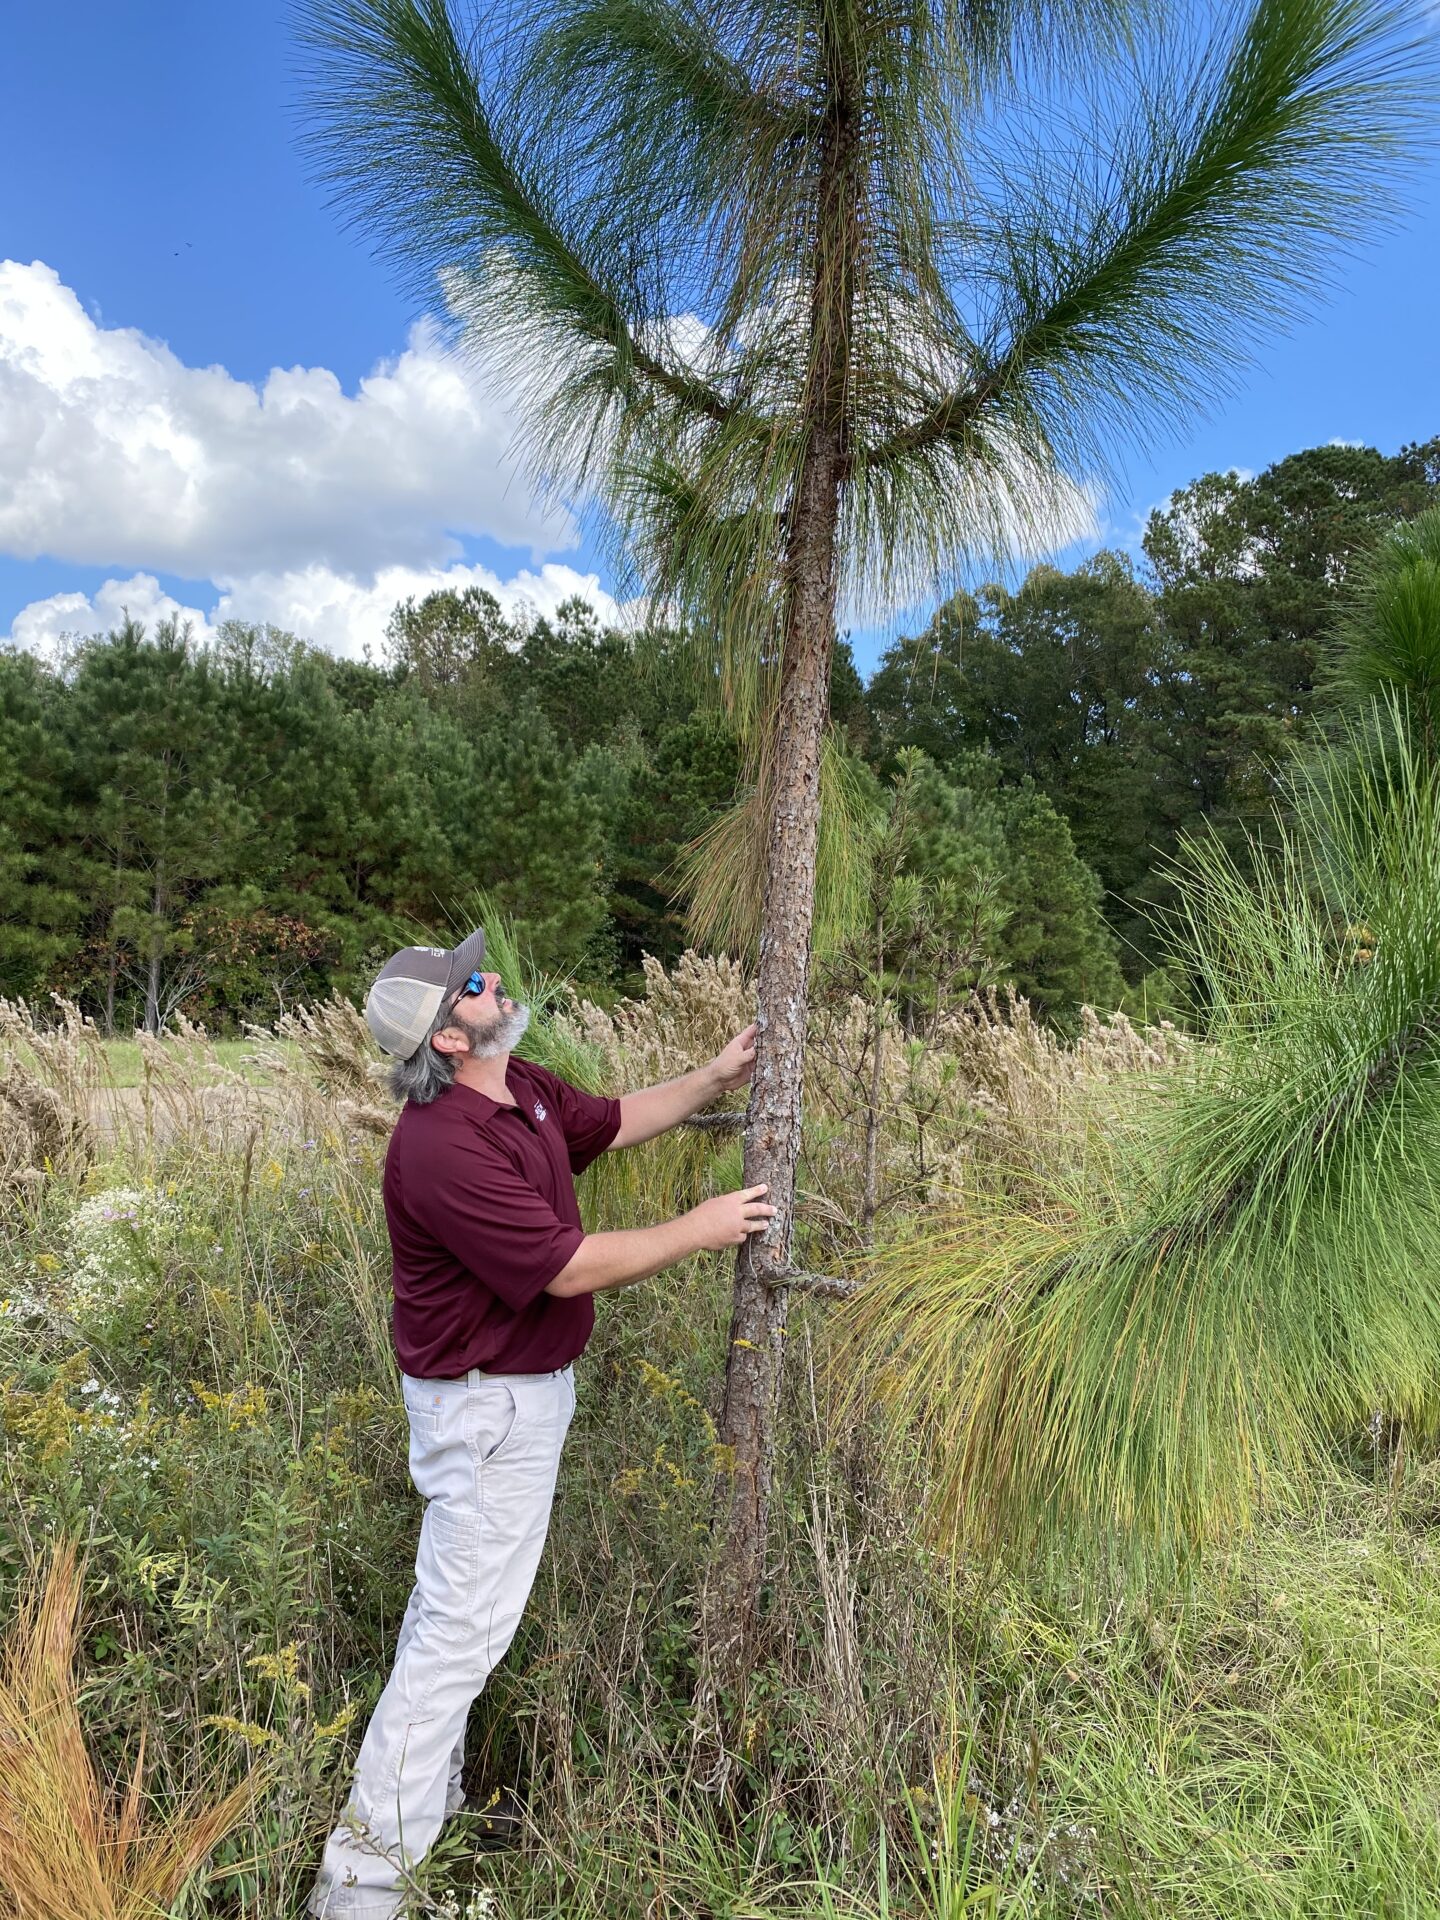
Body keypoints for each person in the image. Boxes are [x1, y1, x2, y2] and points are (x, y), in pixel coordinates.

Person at [310, 927, 773, 1917]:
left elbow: (612, 1120)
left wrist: (715, 1073)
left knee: (455, 1638)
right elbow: (564, 1267)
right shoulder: (438, 1149)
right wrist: (701, 1228)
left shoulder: (519, 1089)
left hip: (515, 1401)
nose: (494, 983)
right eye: (472, 985)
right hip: (483, 1412)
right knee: (454, 1647)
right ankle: (359, 1896)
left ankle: (403, 1851)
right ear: (444, 1038)